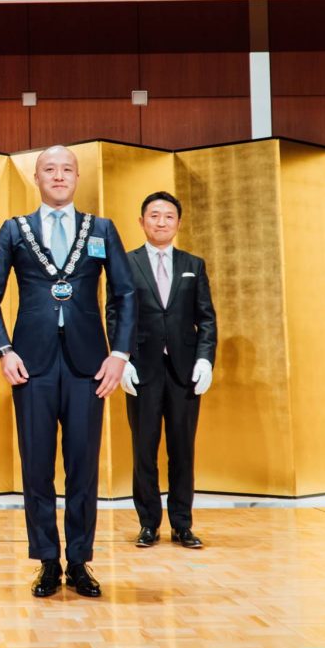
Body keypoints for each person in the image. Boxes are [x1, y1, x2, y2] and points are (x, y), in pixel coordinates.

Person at [0, 145, 136, 598]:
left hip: (90, 365)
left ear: (78, 176)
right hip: (32, 365)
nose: (59, 175)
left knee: (83, 466)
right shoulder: (15, 229)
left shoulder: (101, 228)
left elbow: (125, 293)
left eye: (67, 169)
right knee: (37, 466)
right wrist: (4, 350)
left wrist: (120, 354)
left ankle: (80, 561)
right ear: (37, 177)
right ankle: (47, 560)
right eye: (50, 169)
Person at [120, 192, 217, 550]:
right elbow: (115, 314)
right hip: (142, 369)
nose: (161, 222)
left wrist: (205, 359)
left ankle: (182, 524)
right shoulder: (126, 263)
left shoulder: (194, 264)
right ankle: (148, 524)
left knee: (182, 450)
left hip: (183, 372)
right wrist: (122, 358)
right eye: (154, 215)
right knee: (143, 449)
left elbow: (206, 318)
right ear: (141, 221)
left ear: (178, 222)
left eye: (168, 216)